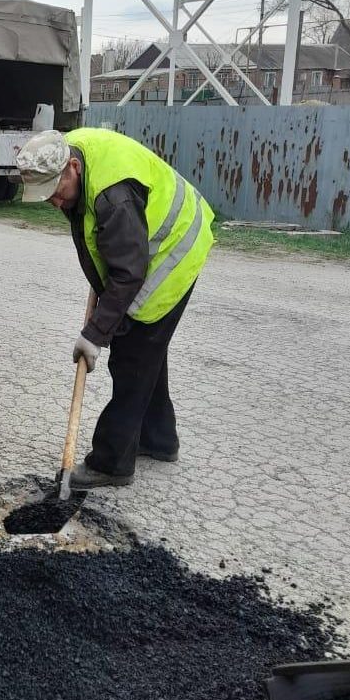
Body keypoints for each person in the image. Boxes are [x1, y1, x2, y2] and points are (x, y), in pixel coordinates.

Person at [16, 127, 214, 489]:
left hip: (174, 251)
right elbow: (104, 244)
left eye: (56, 193)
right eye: (47, 199)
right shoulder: (68, 157)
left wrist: (94, 335)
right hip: (143, 248)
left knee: (132, 355)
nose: (55, 204)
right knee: (148, 349)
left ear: (72, 167)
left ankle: (112, 463)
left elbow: (127, 274)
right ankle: (159, 440)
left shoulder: (113, 195)